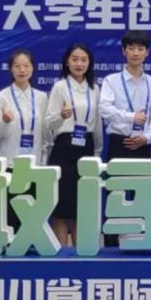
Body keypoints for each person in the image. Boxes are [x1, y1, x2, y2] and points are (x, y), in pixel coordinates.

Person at [99, 30, 151, 247]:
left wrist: (148, 137)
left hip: (142, 145)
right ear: (124, 51)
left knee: (143, 197)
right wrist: (131, 117)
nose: (136, 53)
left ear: (147, 52)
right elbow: (104, 109)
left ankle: (138, 243)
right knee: (116, 195)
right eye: (131, 48)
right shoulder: (112, 80)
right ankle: (112, 246)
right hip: (120, 143)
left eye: (140, 48)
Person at [45, 43, 102, 246]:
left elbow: (97, 123)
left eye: (84, 60)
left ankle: (80, 253)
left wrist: (97, 151)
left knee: (82, 206)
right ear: (67, 62)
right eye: (75, 59)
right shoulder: (60, 87)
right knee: (61, 206)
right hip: (64, 148)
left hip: (86, 147)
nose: (79, 64)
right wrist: (60, 116)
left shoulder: (95, 89)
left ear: (89, 63)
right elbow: (48, 123)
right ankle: (61, 254)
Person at [0, 49, 49, 164]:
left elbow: (46, 135)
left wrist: (44, 161)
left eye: (26, 66)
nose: (22, 70)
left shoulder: (41, 97)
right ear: (11, 69)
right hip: (9, 163)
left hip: (35, 164)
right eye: (17, 66)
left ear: (33, 68)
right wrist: (4, 122)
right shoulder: (1, 97)